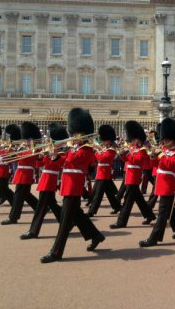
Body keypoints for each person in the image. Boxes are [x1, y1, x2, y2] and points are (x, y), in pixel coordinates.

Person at [41, 108, 105, 263]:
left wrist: (63, 149)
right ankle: (96, 235)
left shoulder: (87, 149)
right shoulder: (74, 148)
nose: (73, 136)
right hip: (68, 185)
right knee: (77, 215)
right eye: (73, 134)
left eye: (76, 134)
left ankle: (56, 252)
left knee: (64, 223)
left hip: (75, 186)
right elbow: (63, 162)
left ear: (83, 134)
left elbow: (74, 160)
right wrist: (54, 154)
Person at [139, 118, 175, 247]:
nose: (163, 141)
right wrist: (153, 156)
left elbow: (170, 165)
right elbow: (155, 165)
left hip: (168, 185)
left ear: (173, 140)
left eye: (166, 139)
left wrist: (160, 155)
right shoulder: (165, 151)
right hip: (161, 184)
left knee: (162, 213)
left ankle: (154, 238)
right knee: (170, 210)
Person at [20, 124, 68, 239]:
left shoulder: (63, 151)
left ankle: (33, 231)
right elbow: (39, 164)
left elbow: (57, 164)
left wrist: (53, 155)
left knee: (40, 208)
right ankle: (68, 222)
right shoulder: (49, 148)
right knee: (52, 205)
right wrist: (40, 157)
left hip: (50, 180)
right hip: (45, 179)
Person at [110, 121, 156, 229]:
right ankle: (149, 215)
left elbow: (137, 161)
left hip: (134, 176)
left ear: (138, 139)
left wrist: (128, 154)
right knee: (139, 199)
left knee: (127, 201)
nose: (132, 141)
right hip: (129, 175)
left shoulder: (142, 150)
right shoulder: (133, 148)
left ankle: (121, 222)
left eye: (133, 139)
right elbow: (127, 160)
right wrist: (122, 155)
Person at [1, 122, 40, 225]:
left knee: (18, 196)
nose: (26, 141)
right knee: (26, 195)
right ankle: (40, 208)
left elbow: (26, 157)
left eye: (27, 139)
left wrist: (19, 151)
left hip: (26, 174)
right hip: (21, 173)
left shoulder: (35, 148)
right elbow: (16, 158)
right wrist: (8, 153)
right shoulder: (25, 148)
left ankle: (13, 217)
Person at [88, 124, 121, 216]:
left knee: (98, 194)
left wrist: (96, 152)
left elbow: (101, 159)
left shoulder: (111, 150)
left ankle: (91, 211)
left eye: (105, 140)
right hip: (101, 173)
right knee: (110, 194)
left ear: (109, 141)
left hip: (104, 173)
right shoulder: (105, 149)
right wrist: (99, 150)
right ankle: (117, 207)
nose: (103, 142)